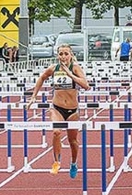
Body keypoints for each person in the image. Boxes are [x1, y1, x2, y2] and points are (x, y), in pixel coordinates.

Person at [27, 44, 91, 178]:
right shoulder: (53, 68)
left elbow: (86, 86)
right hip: (57, 108)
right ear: (57, 55)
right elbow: (41, 78)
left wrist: (69, 74)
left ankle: (73, 163)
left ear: (71, 55)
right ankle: (56, 162)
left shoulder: (75, 68)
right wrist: (33, 96)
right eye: (60, 54)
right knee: (56, 132)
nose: (63, 56)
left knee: (72, 141)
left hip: (72, 110)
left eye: (66, 54)